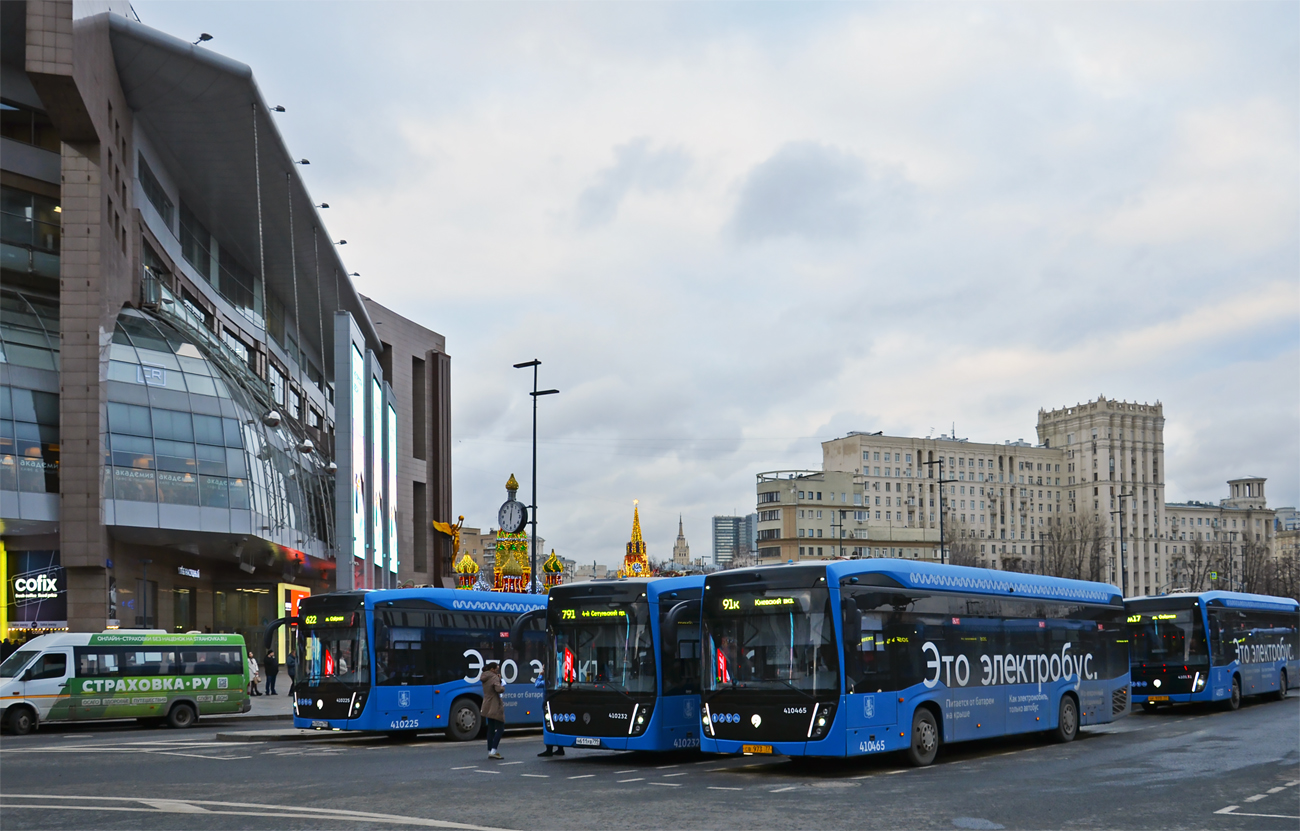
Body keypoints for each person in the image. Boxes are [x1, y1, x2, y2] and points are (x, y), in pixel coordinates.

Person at [535, 669, 564, 757]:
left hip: (548, 705)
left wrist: (540, 674)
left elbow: (536, 685)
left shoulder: (547, 682)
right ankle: (560, 749)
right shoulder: (559, 681)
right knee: (557, 726)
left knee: (548, 726)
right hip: (557, 705)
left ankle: (549, 750)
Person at [481, 660, 506, 760]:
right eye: (497, 669)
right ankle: (494, 751)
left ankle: (489, 750)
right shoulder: (494, 677)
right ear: (492, 669)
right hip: (495, 705)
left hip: (487, 705)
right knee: (500, 728)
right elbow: (498, 689)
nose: (497, 671)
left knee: (490, 728)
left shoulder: (484, 676)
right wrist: (501, 684)